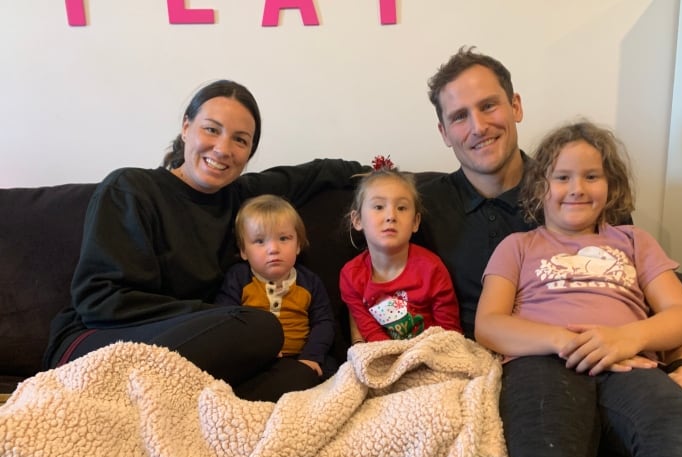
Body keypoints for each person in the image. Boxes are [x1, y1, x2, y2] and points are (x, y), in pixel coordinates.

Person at [474, 121, 682, 457]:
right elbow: (489, 325)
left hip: (629, 364)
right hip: (543, 365)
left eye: (591, 176)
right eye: (562, 177)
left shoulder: (634, 241)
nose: (577, 189)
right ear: (540, 187)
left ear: (611, 185)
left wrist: (626, 338)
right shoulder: (517, 247)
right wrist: (563, 339)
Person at [43, 79, 363, 399]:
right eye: (211, 129)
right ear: (186, 127)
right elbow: (99, 302)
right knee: (261, 329)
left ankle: (182, 405)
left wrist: (380, 174)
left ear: (249, 151)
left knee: (300, 372)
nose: (223, 149)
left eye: (240, 140)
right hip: (101, 339)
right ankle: (150, 394)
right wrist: (216, 317)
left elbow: (314, 173)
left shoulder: (240, 198)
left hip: (201, 342)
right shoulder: (130, 188)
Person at [417, 46, 682, 401]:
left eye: (488, 105)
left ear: (516, 106)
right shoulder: (420, 209)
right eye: (460, 116)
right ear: (444, 132)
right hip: (505, 378)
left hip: (611, 367)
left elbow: (644, 289)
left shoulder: (578, 193)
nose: (478, 126)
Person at [215, 194, 335, 399]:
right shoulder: (238, 278)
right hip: (255, 361)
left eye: (283, 238)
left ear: (298, 245)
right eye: (260, 241)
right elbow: (225, 320)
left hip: (301, 358)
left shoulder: (310, 281)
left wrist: (311, 357)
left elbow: (324, 323)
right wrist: (257, 352)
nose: (273, 249)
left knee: (333, 372)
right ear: (244, 251)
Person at [339, 157, 461, 342]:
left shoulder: (432, 268)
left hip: (431, 351)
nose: (391, 216)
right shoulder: (350, 276)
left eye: (402, 208)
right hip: (382, 355)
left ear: (415, 222)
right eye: (379, 207)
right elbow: (370, 333)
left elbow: (450, 332)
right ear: (357, 220)